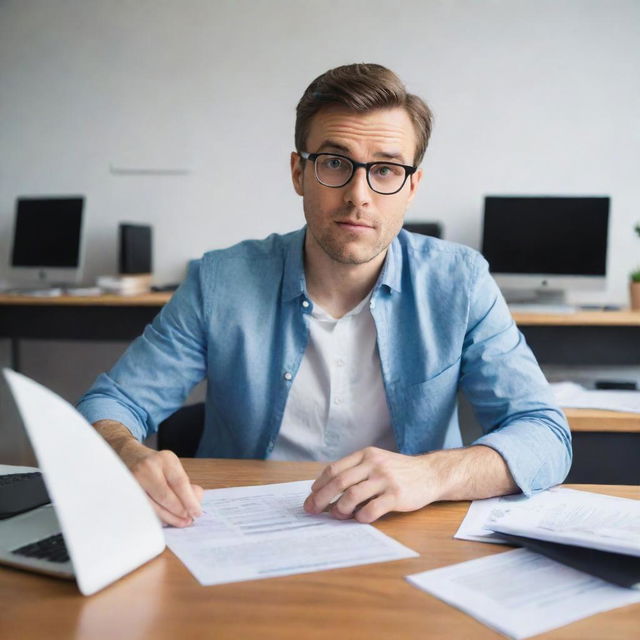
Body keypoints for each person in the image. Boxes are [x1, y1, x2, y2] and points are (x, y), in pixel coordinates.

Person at [78, 63, 571, 528]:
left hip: (407, 533)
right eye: (335, 163)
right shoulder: (220, 280)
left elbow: (544, 435)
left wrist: (431, 473)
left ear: (412, 186)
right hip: (239, 534)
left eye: (385, 170)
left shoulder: (460, 283)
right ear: (299, 172)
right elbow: (112, 401)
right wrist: (126, 452)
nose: (359, 194)